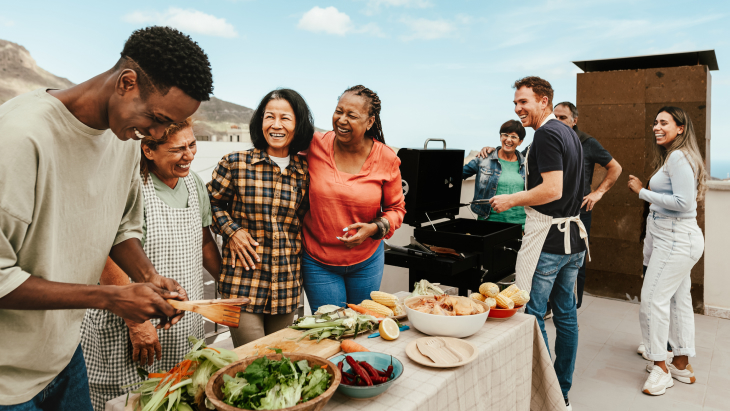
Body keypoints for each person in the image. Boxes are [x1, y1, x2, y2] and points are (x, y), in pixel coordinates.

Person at [0, 26, 212, 409]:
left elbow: (121, 225)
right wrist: (111, 298)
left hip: (64, 356)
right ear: (126, 82)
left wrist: (149, 276)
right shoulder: (18, 138)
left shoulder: (126, 139)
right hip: (7, 379)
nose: (158, 134)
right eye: (158, 118)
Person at [80, 119, 221, 410]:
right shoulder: (128, 184)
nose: (190, 155)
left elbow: (205, 241)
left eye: (192, 145)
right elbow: (107, 253)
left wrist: (228, 283)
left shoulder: (193, 183)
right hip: (129, 323)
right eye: (178, 149)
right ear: (148, 150)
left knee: (179, 396)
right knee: (127, 401)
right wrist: (138, 323)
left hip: (181, 323)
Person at [488, 77, 587, 411]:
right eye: (515, 104)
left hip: (548, 239)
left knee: (531, 314)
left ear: (544, 101)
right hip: (573, 240)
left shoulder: (546, 134)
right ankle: (562, 392)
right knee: (566, 316)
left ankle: (546, 395)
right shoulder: (568, 133)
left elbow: (552, 189)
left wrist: (511, 200)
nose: (518, 109)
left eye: (524, 102)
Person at [208, 89, 313, 347]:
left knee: (280, 361)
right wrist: (232, 230)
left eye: (285, 118)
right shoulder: (234, 163)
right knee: (251, 362)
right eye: (269, 117)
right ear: (260, 121)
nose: (276, 125)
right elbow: (210, 204)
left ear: (298, 124)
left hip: (286, 285)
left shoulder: (305, 173)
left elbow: (301, 222)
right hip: (243, 283)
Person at [301, 85, 406, 313]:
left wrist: (373, 228)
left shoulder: (386, 158)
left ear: (370, 122)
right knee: (332, 329)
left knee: (363, 328)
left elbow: (396, 209)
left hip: (367, 263)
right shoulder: (314, 145)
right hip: (318, 262)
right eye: (339, 111)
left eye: (352, 115)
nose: (341, 120)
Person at [627, 106, 706, 396]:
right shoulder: (677, 156)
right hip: (675, 238)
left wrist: (641, 192)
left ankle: (660, 368)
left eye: (664, 122)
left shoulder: (677, 156)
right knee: (677, 299)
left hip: (676, 239)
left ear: (681, 127)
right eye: (655, 122)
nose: (656, 127)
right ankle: (681, 364)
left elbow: (683, 203)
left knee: (651, 300)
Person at [553, 102, 622, 308]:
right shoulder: (549, 140)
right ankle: (551, 304)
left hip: (578, 213)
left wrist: (598, 193)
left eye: (563, 118)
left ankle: (572, 307)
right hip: (551, 211)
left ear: (574, 121)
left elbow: (615, 167)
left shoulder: (587, 142)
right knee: (550, 260)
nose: (557, 121)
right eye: (554, 117)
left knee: (577, 261)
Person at [462, 120, 527, 229]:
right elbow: (458, 174)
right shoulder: (484, 159)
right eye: (505, 135)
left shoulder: (526, 164)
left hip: (520, 224)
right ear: (500, 137)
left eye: (514, 137)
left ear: (520, 141)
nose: (508, 139)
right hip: (489, 222)